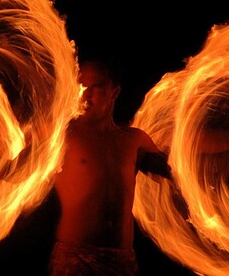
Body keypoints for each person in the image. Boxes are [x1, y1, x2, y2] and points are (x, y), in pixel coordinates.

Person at [48, 59, 172, 276]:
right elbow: (18, 169)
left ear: (114, 93)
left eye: (96, 87)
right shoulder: (63, 135)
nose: (85, 94)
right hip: (75, 256)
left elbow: (178, 170)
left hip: (121, 259)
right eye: (81, 86)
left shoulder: (134, 140)